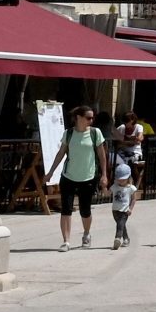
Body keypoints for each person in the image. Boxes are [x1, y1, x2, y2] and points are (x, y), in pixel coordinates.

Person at [58, 104, 107, 249]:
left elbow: (102, 155)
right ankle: (66, 241)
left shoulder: (95, 133)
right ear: (78, 118)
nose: (91, 120)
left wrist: (104, 175)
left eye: (93, 118)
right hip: (68, 176)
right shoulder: (68, 133)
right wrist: (50, 172)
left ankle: (86, 233)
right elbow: (61, 153)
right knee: (66, 209)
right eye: (88, 118)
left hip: (88, 177)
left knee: (85, 210)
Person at [108, 153, 137, 250]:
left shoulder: (131, 188)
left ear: (128, 178)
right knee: (121, 224)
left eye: (123, 180)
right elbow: (108, 193)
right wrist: (103, 187)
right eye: (119, 179)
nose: (120, 181)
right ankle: (126, 238)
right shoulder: (115, 186)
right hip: (115, 210)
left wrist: (131, 209)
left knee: (120, 224)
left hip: (125, 210)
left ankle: (117, 239)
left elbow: (134, 199)